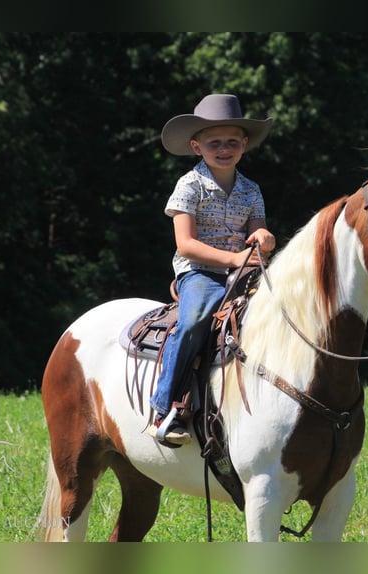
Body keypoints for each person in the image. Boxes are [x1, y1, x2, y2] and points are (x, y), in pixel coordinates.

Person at [148, 93, 275, 446]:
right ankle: (164, 407)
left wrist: (263, 237)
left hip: (244, 272)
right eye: (214, 142)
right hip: (199, 272)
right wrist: (235, 259)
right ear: (196, 146)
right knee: (194, 319)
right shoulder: (189, 186)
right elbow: (185, 244)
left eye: (232, 141)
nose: (224, 148)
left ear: (244, 144)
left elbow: (257, 232)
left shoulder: (251, 190)